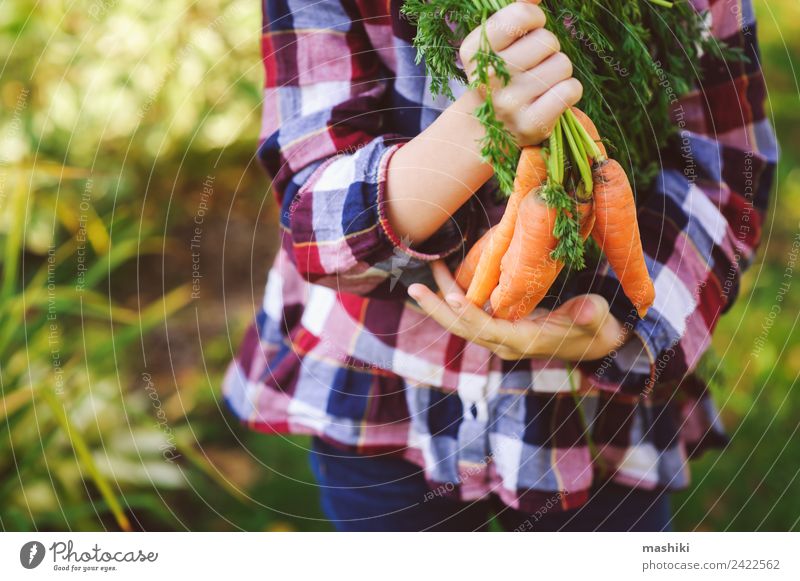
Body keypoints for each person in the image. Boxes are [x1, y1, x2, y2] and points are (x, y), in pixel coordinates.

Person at [223, 0, 777, 531]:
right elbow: (312, 218)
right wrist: (485, 122)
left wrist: (624, 315)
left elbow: (728, 170)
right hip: (381, 387)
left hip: (596, 411)